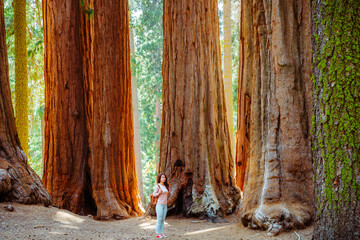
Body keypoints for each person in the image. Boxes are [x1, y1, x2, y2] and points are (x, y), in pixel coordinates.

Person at [152, 173, 169, 238]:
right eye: (162, 177)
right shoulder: (158, 186)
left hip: (165, 205)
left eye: (164, 177)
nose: (164, 178)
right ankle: (157, 233)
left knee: (163, 219)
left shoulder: (165, 186)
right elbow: (154, 194)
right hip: (159, 205)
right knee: (159, 219)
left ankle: (161, 233)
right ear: (159, 178)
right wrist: (159, 193)